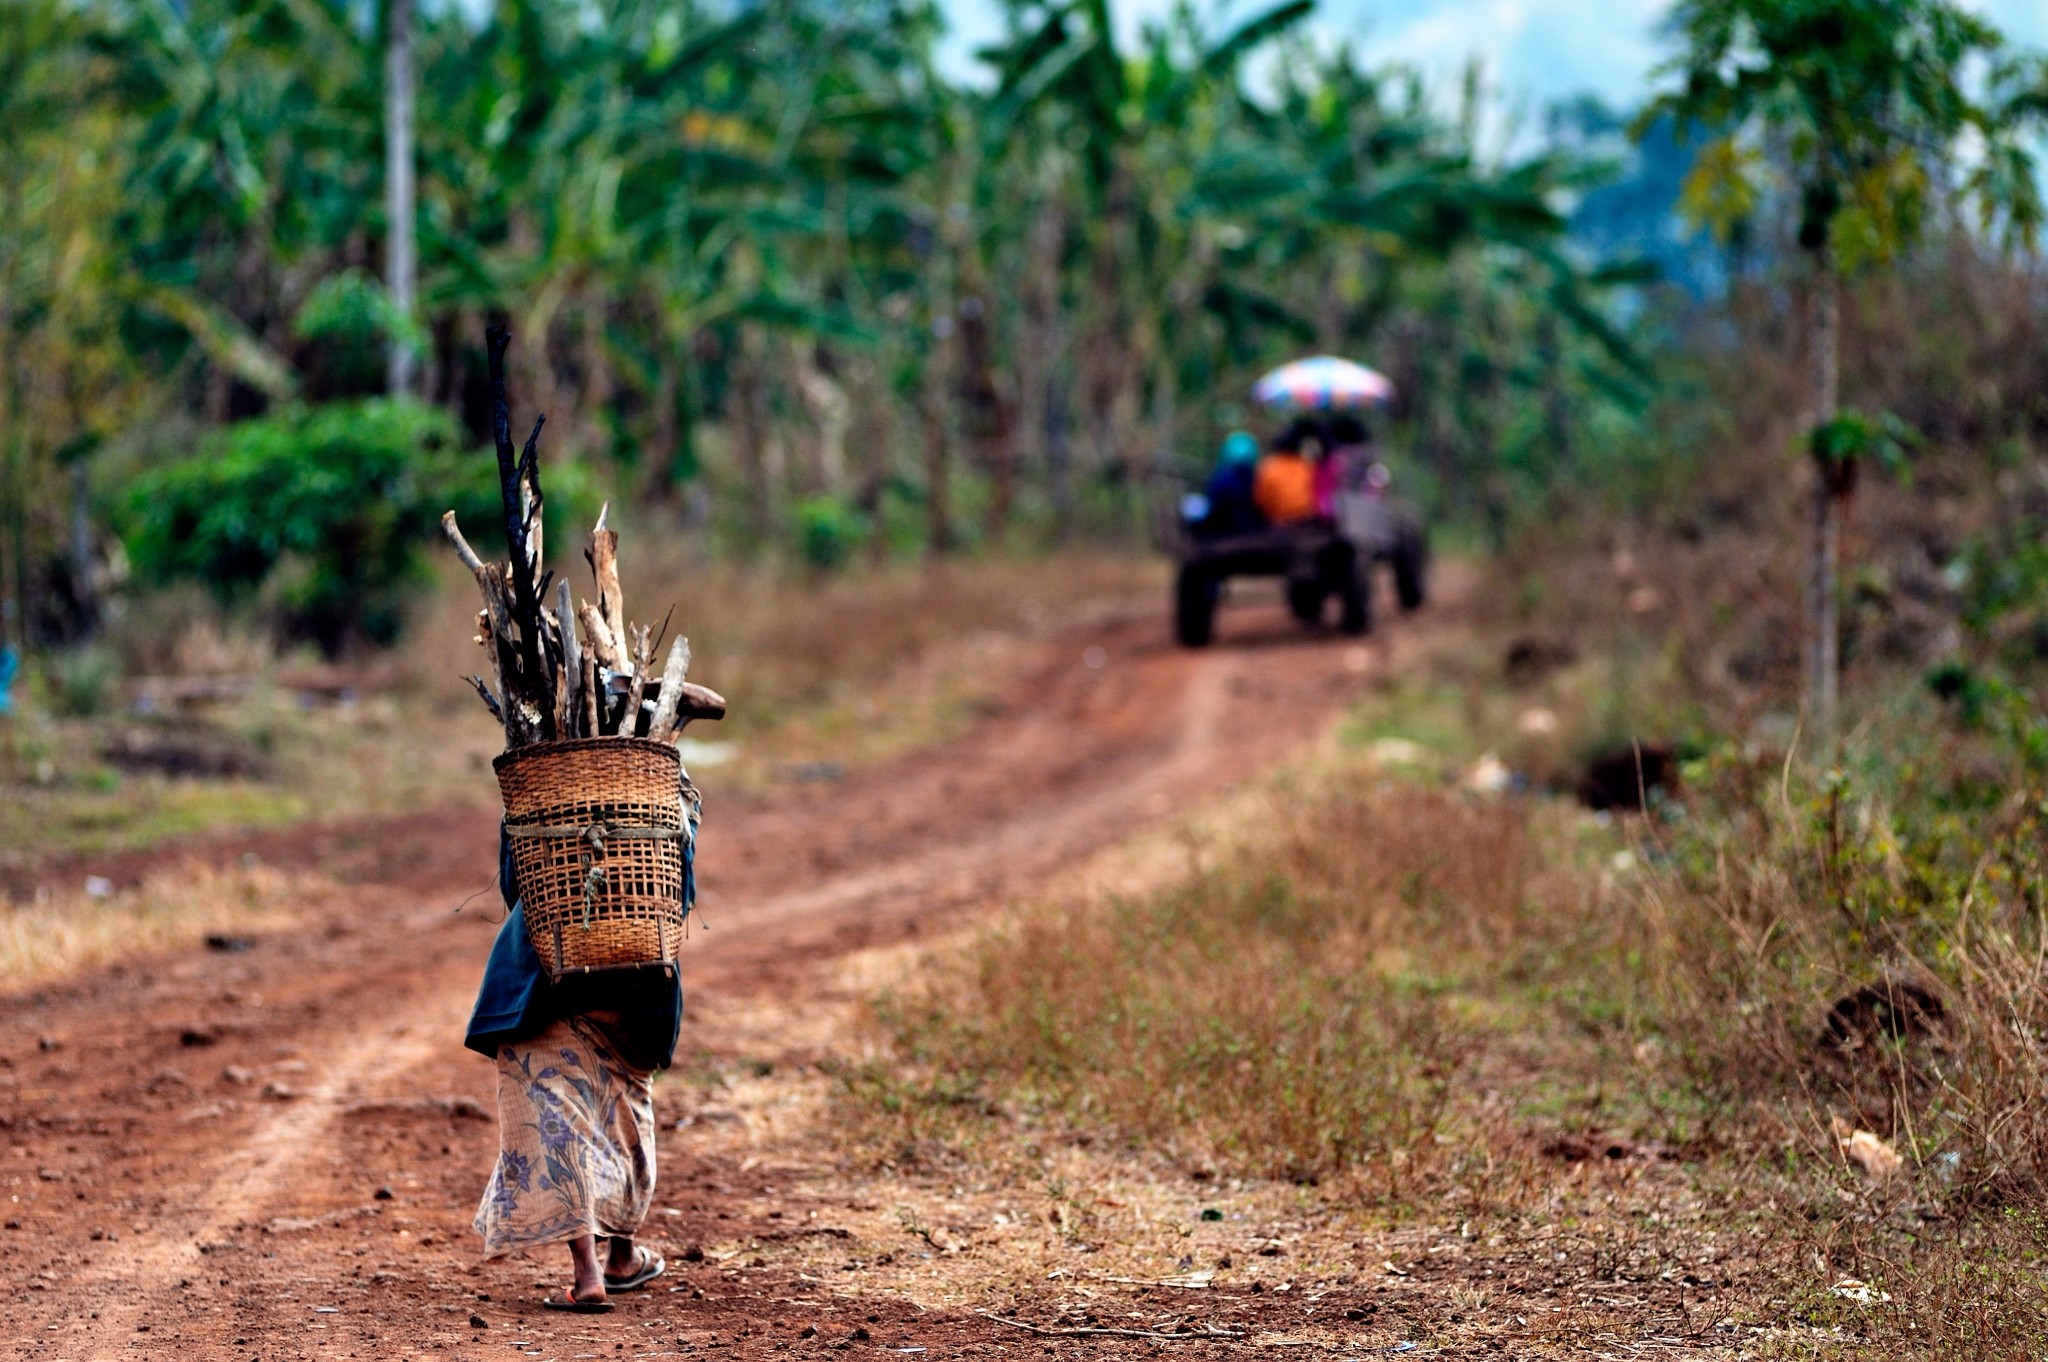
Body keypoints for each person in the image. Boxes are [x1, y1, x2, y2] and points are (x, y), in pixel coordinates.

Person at [465, 807, 693, 1312]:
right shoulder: (661, 801)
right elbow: (682, 891)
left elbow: (515, 886)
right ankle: (623, 1255)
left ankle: (589, 1273)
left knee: (555, 1123)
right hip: (634, 982)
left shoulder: (537, 799)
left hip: (541, 977)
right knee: (623, 1113)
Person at [1195, 429, 1263, 536]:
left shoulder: (1221, 477)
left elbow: (1213, 501)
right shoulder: (1255, 477)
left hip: (1225, 527)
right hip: (1246, 527)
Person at [1253, 420, 1321, 526]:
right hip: (1306, 519)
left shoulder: (1268, 467)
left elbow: (1261, 500)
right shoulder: (1306, 466)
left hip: (1279, 522)